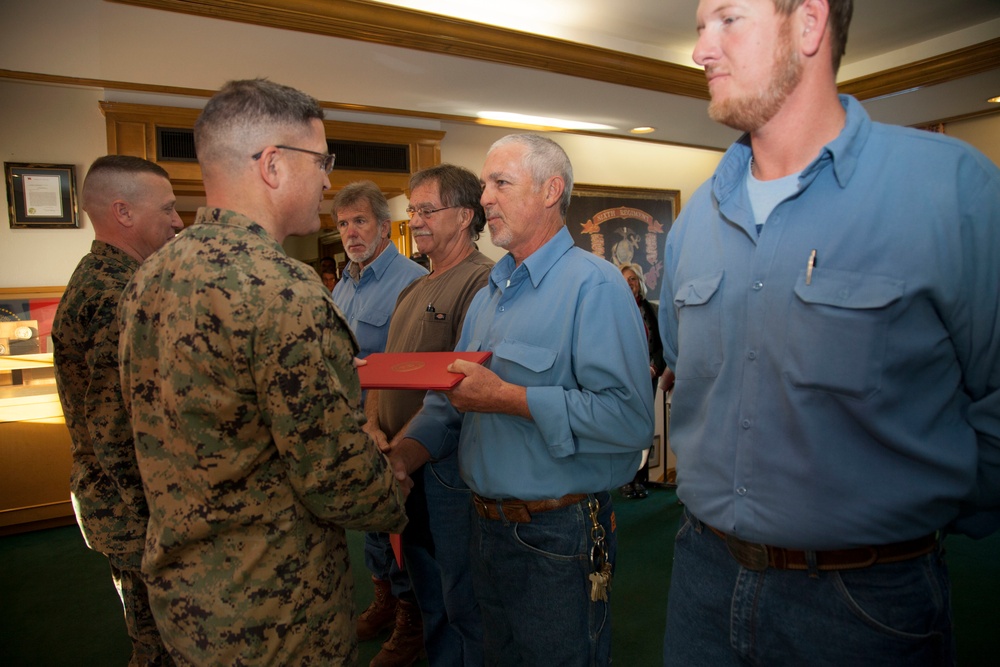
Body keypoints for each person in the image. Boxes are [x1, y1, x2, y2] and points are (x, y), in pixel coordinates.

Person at [659, 1, 1000, 665]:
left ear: (809, 23)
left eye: (728, 19)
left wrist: (918, 499)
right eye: (700, 27)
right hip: (701, 575)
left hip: (865, 602)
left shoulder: (951, 190)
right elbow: (687, 370)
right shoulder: (695, 219)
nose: (701, 49)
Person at [117, 78, 409, 665]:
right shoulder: (281, 287)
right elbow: (334, 474)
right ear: (273, 165)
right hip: (276, 612)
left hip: (184, 598)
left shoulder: (149, 275)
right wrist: (395, 484)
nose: (328, 180)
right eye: (322, 160)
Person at [389, 134, 654, 665]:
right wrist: (400, 457)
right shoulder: (492, 292)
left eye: (500, 183)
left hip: (558, 535)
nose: (485, 198)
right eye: (485, 184)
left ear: (551, 190)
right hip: (482, 528)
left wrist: (510, 398)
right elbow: (448, 403)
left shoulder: (593, 286)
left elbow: (628, 420)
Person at [51, 155, 183, 666]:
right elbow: (115, 433)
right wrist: (168, 523)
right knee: (161, 649)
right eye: (168, 208)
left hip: (126, 509)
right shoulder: (114, 296)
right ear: (123, 212)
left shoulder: (117, 281)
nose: (177, 220)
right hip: (137, 514)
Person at [365, 164, 493, 666]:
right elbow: (385, 367)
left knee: (461, 603)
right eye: (411, 210)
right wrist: (373, 425)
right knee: (425, 595)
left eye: (426, 210)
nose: (414, 220)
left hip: (442, 472)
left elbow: (462, 392)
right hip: (400, 465)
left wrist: (402, 457)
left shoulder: (480, 283)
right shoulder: (412, 287)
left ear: (464, 217)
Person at [331, 180, 428, 666]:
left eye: (360, 221)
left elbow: (401, 366)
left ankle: (411, 620)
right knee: (370, 522)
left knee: (399, 525)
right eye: (343, 223)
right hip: (351, 430)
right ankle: (385, 603)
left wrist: (380, 427)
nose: (351, 232)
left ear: (384, 227)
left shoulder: (411, 279)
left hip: (392, 427)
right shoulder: (343, 282)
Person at [617, 262, 666, 500]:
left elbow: (661, 346)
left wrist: (655, 367)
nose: (629, 284)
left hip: (649, 379)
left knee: (645, 427)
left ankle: (641, 479)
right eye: (625, 279)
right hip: (624, 381)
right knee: (626, 427)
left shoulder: (652, 311)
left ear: (640, 283)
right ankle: (625, 480)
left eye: (633, 279)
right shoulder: (614, 310)